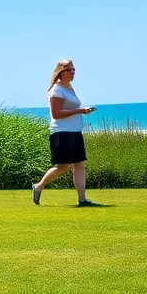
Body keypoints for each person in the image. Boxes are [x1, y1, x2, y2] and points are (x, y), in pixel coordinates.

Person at [32, 60, 99, 206]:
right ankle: (39, 186)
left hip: (75, 131)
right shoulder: (57, 90)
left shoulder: (69, 88)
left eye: (74, 70)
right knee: (63, 166)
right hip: (61, 133)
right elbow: (56, 114)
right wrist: (80, 111)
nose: (73, 72)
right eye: (69, 70)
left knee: (79, 164)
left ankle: (82, 199)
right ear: (60, 72)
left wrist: (82, 111)